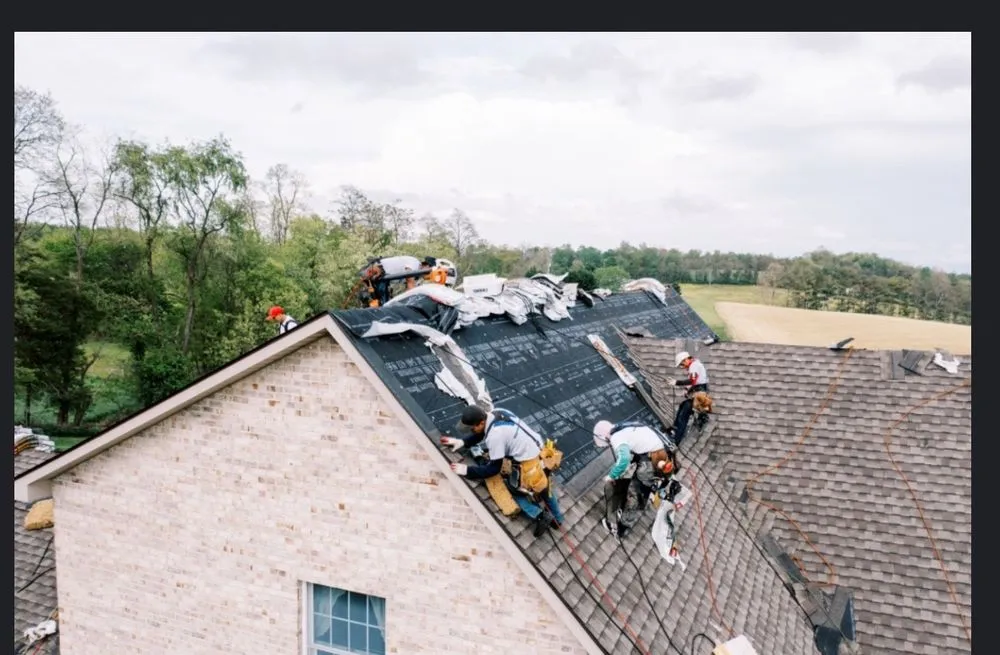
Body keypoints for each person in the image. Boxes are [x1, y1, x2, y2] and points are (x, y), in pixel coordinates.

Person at [441, 405, 566, 537]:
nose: (472, 431)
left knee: (511, 490)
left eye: (472, 428)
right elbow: (482, 433)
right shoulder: (496, 413)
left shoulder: (495, 435)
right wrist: (462, 442)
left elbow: (493, 469)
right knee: (544, 486)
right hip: (540, 452)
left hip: (529, 464)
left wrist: (467, 470)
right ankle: (558, 520)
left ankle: (540, 515)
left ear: (481, 422)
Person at [593, 419, 677, 541]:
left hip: (652, 463)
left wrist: (611, 476)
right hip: (661, 457)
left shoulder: (616, 437)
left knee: (635, 494)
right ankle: (630, 510)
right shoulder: (625, 426)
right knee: (642, 489)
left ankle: (620, 528)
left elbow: (624, 459)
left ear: (605, 437)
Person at [667, 351, 710, 445]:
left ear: (686, 359)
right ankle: (675, 428)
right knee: (683, 405)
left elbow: (692, 380)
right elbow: (696, 381)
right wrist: (687, 389)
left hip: (700, 396)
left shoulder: (694, 365)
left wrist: (676, 382)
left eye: (682, 363)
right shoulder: (695, 364)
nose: (682, 366)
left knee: (684, 415)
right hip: (699, 393)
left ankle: (676, 440)